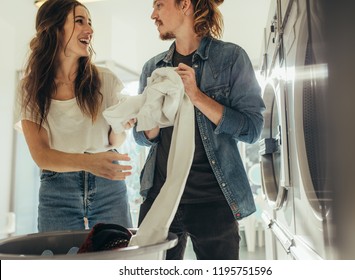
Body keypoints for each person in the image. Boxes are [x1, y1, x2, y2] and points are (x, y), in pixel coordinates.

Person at [133, 0, 265, 260]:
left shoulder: (231, 59)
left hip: (214, 202)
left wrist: (197, 96)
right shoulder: (153, 68)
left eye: (159, 5)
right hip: (160, 198)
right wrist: (151, 122)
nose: (153, 14)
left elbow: (252, 129)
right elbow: (142, 138)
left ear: (185, 5)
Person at [18, 0, 133, 232]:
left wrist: (123, 125)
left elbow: (114, 141)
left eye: (90, 23)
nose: (89, 30)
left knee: (117, 261)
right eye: (79, 21)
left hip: (107, 184)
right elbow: (41, 155)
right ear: (55, 28)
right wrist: (90, 163)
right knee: (61, 265)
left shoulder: (105, 79)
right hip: (57, 188)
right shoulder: (29, 88)